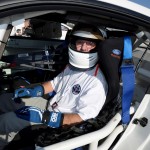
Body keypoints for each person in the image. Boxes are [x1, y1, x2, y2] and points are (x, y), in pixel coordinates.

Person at [0, 23, 108, 149]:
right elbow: (53, 84)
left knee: (7, 121)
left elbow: (82, 118)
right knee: (5, 99)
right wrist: (33, 91)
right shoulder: (72, 67)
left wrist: (45, 116)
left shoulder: (97, 83)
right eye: (80, 42)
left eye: (90, 44)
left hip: (59, 122)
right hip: (50, 106)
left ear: (97, 47)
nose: (83, 47)